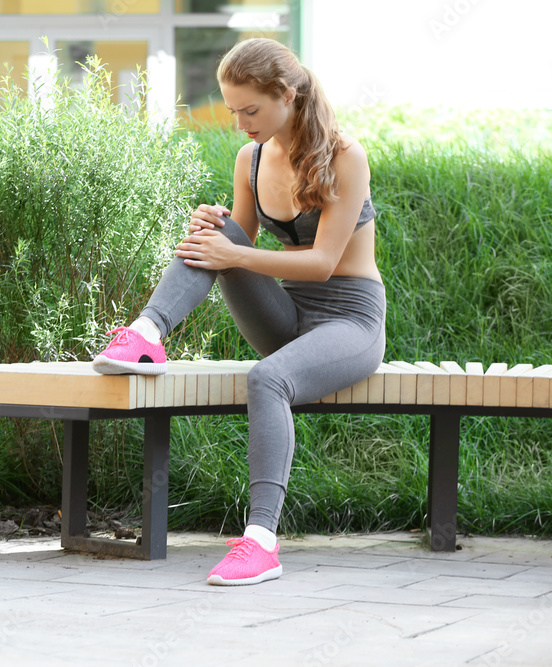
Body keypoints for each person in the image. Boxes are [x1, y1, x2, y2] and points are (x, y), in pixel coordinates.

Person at [92, 38, 387, 586]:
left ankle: (261, 543)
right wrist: (220, 234)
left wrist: (233, 250)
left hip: (350, 321)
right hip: (286, 317)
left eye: (250, 110)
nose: (241, 124)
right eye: (233, 111)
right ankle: (147, 332)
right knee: (217, 230)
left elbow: (323, 262)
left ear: (287, 95)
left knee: (267, 379)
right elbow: (241, 246)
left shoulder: (345, 155)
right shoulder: (250, 158)